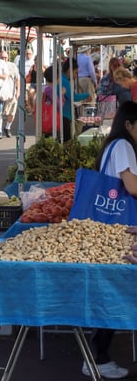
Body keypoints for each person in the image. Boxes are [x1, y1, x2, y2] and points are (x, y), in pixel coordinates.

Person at [80, 101, 137, 379]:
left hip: (107, 227)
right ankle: (97, 357)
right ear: (129, 124)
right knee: (114, 288)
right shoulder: (124, 147)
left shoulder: (113, 145)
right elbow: (132, 186)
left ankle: (96, 355)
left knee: (109, 287)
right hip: (118, 230)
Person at [59, 58, 90, 142]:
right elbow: (73, 97)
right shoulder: (64, 81)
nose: (76, 76)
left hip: (65, 115)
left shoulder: (63, 80)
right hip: (64, 116)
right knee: (66, 141)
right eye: (75, 72)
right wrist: (87, 95)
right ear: (69, 70)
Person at [0, 51, 20, 138]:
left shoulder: (13, 66)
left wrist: (18, 90)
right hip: (0, 92)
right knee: (0, 113)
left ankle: (7, 127)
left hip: (12, 92)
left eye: (6, 57)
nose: (4, 59)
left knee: (12, 112)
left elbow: (17, 79)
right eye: (2, 57)